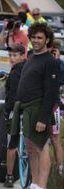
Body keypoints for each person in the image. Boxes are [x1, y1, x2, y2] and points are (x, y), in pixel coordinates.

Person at [13, 23, 60, 189]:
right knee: (31, 149)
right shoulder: (32, 56)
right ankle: (33, 185)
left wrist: (43, 118)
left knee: (41, 148)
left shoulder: (50, 62)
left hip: (39, 108)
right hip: (26, 108)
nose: (36, 40)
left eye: (40, 37)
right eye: (33, 37)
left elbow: (51, 92)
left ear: (47, 39)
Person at [3, 44, 27, 188]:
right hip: (28, 108)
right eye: (10, 55)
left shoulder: (14, 73)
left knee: (12, 143)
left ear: (22, 55)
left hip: (16, 109)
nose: (12, 58)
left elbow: (12, 95)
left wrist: (7, 111)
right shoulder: (29, 67)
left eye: (15, 55)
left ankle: (9, 176)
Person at [50, 40, 64, 176]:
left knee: (55, 138)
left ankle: (60, 169)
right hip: (42, 103)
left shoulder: (60, 64)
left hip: (54, 105)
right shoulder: (43, 60)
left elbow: (61, 80)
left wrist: (57, 60)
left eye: (55, 49)